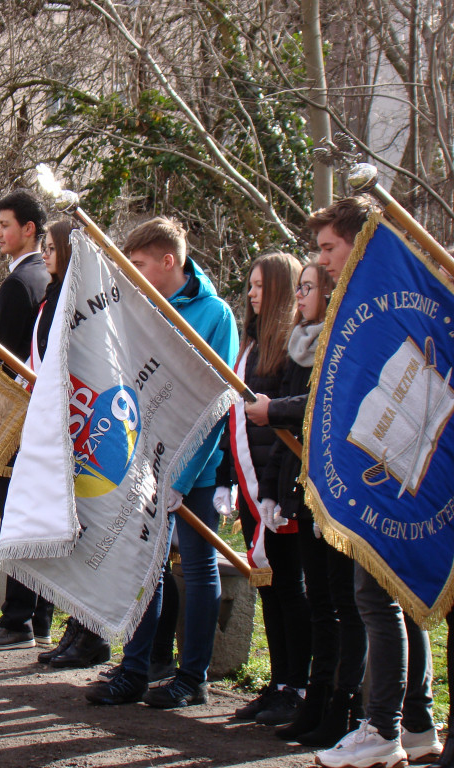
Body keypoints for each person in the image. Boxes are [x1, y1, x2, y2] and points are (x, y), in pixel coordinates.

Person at [260, 195, 440, 768]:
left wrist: (279, 413)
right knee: (388, 600)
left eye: (329, 248)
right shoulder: (362, 303)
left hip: (397, 477)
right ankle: (412, 722)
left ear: (361, 244)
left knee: (381, 600)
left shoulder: (380, 301)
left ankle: (383, 726)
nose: (323, 260)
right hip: (381, 473)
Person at [86, 216, 238, 708]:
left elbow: (217, 403)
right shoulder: (138, 308)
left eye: (140, 263)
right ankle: (134, 669)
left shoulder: (215, 314)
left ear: (169, 261)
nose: (132, 272)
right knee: (141, 568)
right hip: (144, 463)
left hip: (195, 469)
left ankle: (192, 680)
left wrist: (184, 475)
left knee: (195, 569)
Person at [253, 262, 368, 746]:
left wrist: (273, 410)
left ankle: (345, 705)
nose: (300, 296)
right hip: (302, 487)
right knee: (322, 602)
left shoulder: (339, 342)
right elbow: (286, 433)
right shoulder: (299, 344)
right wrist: (276, 491)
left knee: (343, 605)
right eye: (297, 287)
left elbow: (320, 404)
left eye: (309, 287)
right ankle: (319, 700)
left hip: (337, 488)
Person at [218, 251, 310, 727]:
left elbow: (285, 420)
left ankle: (299, 684)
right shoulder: (251, 345)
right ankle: (277, 682)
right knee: (268, 587)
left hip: (279, 488)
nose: (251, 294)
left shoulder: (293, 346)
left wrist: (272, 489)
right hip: (251, 483)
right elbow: (235, 419)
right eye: (249, 285)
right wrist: (226, 481)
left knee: (290, 588)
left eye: (258, 286)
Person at [0, 188, 53, 651]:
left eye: (4, 225)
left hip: (18, 418)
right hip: (33, 419)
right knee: (32, 517)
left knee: (19, 517)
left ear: (29, 229)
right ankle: (38, 617)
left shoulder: (22, 285)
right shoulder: (42, 279)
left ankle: (18, 618)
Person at [25, 219, 111, 668]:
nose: (45, 255)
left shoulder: (81, 300)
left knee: (87, 529)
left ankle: (91, 631)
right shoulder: (50, 296)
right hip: (55, 424)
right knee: (68, 533)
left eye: (52, 248)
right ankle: (74, 625)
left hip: (80, 425)